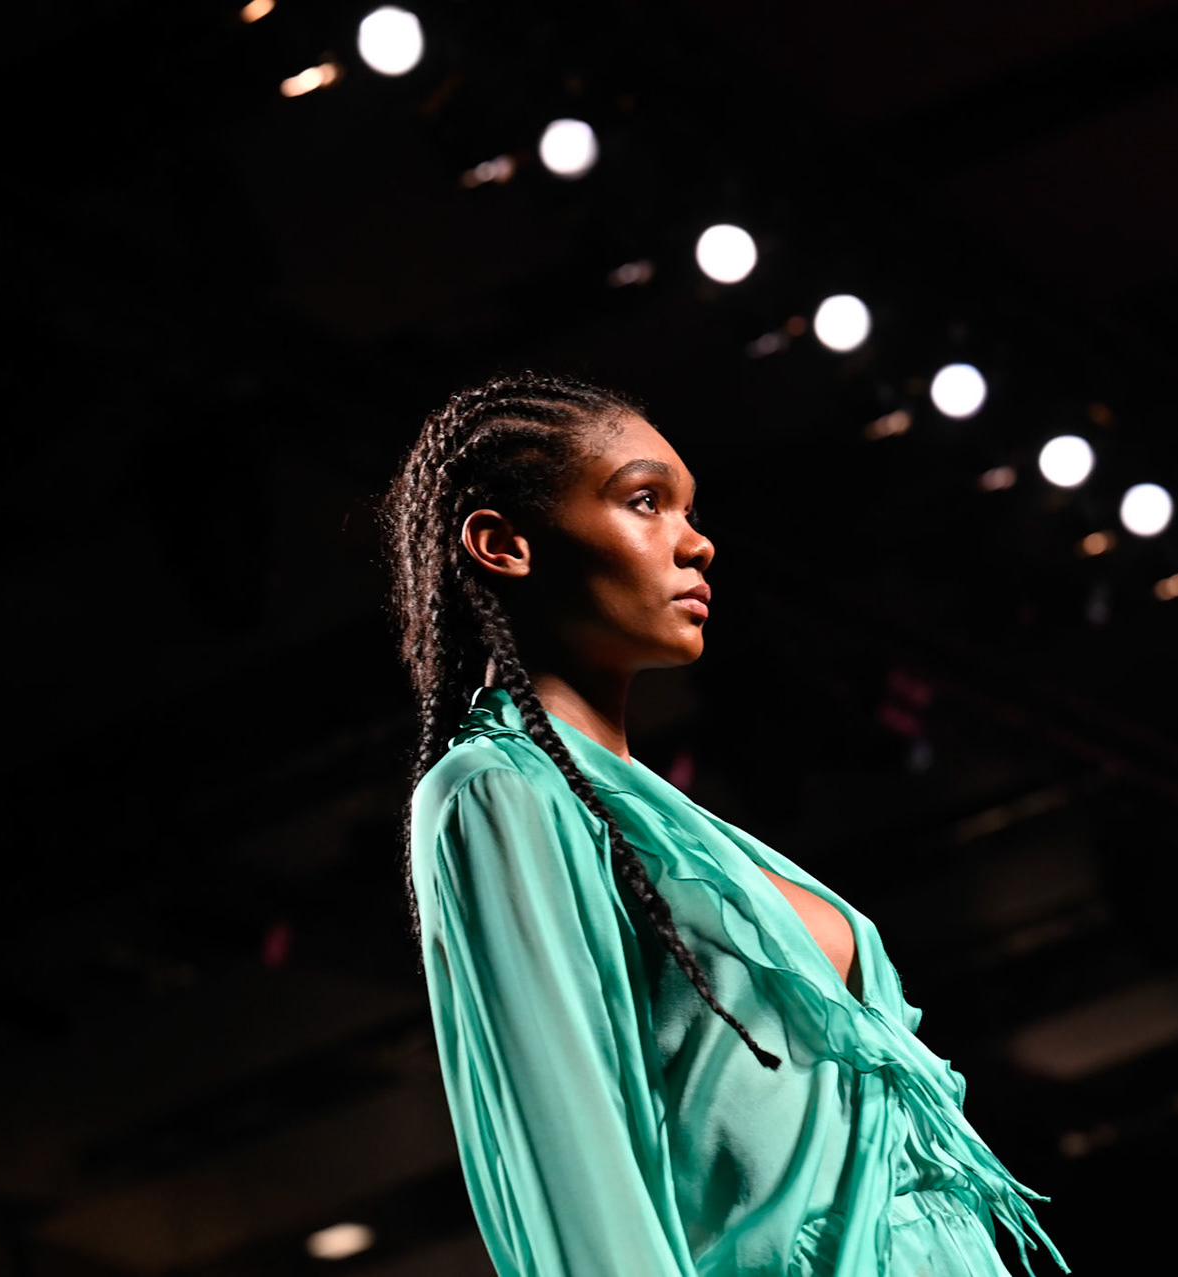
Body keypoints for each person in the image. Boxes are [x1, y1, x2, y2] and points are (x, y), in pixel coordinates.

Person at [375, 370, 1069, 1277]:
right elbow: (569, 1152)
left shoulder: (672, 826)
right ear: (503, 544)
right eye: (646, 501)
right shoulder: (496, 790)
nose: (697, 543)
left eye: (689, 510)